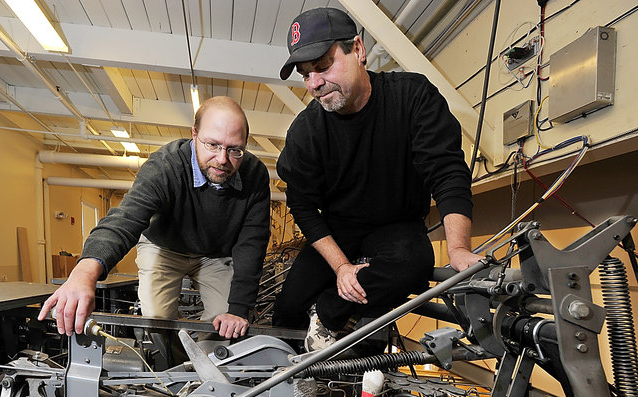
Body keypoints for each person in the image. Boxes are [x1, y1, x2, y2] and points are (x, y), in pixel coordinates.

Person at [272, 7, 480, 351]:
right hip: (338, 229)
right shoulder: (306, 132)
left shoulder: (412, 97)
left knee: (415, 264)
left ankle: (328, 317)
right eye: (305, 74)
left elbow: (447, 172)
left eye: (323, 67)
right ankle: (297, 386)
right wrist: (341, 267)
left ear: (358, 49)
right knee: (287, 311)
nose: (314, 84)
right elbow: (303, 206)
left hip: (396, 226)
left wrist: (459, 249)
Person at [39, 96, 270, 340]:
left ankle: (204, 368)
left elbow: (252, 244)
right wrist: (83, 274)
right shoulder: (166, 166)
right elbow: (126, 218)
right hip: (164, 246)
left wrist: (238, 310)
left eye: (235, 150)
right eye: (212, 145)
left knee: (226, 322)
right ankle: (171, 367)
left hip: (214, 255)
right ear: (194, 134)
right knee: (156, 321)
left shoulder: (254, 174)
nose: (223, 159)